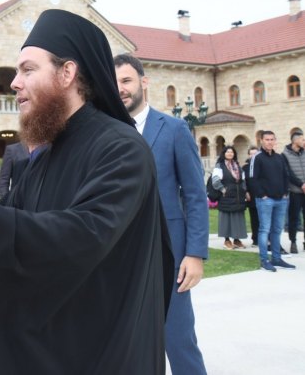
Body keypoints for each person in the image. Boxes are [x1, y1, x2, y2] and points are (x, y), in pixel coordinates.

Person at [0, 9, 173, 374]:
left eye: (28, 69)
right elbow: (14, 221)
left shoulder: (121, 148)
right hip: (56, 345)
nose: (14, 83)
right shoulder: (48, 153)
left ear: (67, 73)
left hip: (103, 350)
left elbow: (83, 236)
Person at [114, 53, 208, 375]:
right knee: (127, 342)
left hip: (170, 255)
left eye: (126, 80)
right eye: (114, 84)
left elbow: (195, 196)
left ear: (143, 81)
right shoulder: (106, 132)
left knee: (177, 338)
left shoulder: (175, 129)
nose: (120, 89)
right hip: (120, 255)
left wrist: (194, 253)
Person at [250, 130, 295, 271]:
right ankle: (264, 260)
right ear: (262, 141)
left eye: (272, 139)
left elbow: (286, 175)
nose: (270, 142)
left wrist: (285, 192)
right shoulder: (257, 158)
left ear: (275, 141)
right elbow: (252, 178)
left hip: (281, 199)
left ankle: (276, 258)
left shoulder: (280, 158)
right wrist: (261, 194)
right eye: (267, 139)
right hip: (265, 200)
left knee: (277, 230)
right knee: (264, 230)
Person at [212, 145, 248, 250]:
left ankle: (236, 240)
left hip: (238, 197)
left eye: (232, 152)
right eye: (228, 152)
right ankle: (227, 240)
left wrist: (244, 191)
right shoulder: (220, 166)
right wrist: (223, 190)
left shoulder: (237, 165)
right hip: (226, 197)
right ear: (224, 153)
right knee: (226, 219)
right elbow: (215, 180)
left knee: (238, 218)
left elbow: (243, 180)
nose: (230, 154)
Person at [282, 130, 305, 253]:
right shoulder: (284, 155)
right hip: (295, 192)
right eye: (302, 139)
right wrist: (301, 184)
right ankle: (293, 242)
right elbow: (288, 173)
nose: (304, 141)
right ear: (295, 141)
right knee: (293, 218)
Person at [242, 146, 260, 246]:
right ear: (248, 155)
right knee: (254, 218)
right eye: (251, 154)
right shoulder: (245, 168)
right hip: (251, 196)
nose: (253, 156)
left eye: (255, 154)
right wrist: (246, 192)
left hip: (262, 195)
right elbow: (243, 181)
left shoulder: (262, 165)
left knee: (263, 219)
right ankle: (255, 238)